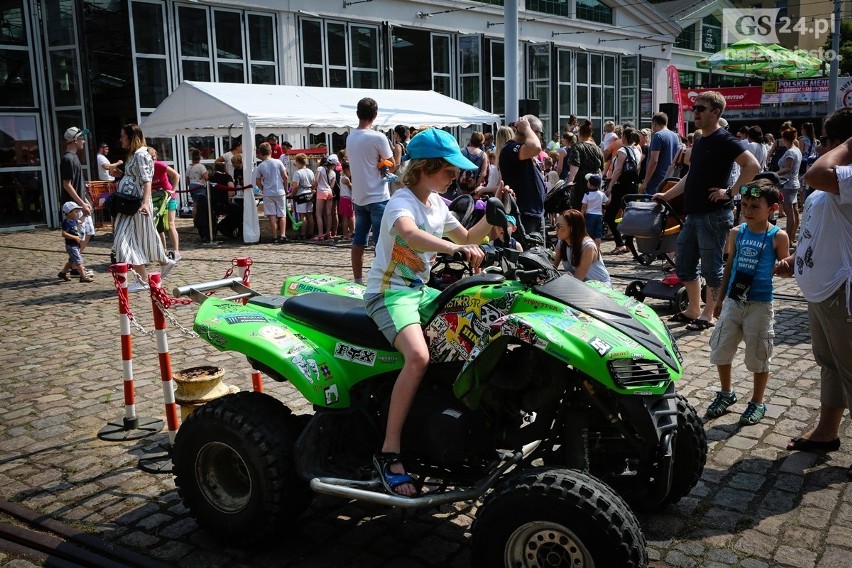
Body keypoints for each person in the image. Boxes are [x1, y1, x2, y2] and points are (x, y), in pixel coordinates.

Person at [365, 128, 490, 496]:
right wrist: (453, 252)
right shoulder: (401, 202)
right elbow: (410, 235)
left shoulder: (437, 204)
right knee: (418, 357)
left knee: (476, 330)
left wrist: (498, 212)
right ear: (426, 168)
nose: (455, 177)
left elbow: (467, 238)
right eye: (449, 171)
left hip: (419, 292)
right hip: (389, 294)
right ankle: (389, 451)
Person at [775, 107, 852, 477]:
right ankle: (827, 432)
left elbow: (815, 172)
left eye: (824, 140)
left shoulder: (846, 174)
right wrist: (795, 258)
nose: (818, 147)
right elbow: (820, 229)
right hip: (822, 289)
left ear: (840, 144)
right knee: (830, 365)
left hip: (842, 291)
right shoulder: (834, 181)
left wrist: (848, 147)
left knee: (851, 370)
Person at [653, 91, 760, 331]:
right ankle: (693, 309)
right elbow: (692, 176)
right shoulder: (700, 140)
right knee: (684, 265)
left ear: (716, 112)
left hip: (714, 215)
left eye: (701, 108)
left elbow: (752, 165)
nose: (696, 112)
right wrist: (667, 194)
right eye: (695, 107)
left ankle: (709, 313)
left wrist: (730, 192)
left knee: (712, 269)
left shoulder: (725, 139)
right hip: (694, 214)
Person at [705, 179, 789, 425]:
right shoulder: (736, 232)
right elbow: (729, 265)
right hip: (733, 301)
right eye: (745, 206)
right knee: (721, 348)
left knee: (758, 354)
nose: (748, 211)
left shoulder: (778, 236)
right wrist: (720, 299)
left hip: (760, 304)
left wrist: (783, 267)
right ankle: (726, 392)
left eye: (755, 207)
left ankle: (757, 401)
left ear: (772, 209)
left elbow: (785, 266)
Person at [112, 123, 176, 291]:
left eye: (123, 136)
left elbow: (147, 181)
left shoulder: (141, 154)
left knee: (124, 241)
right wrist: (122, 174)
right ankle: (163, 263)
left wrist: (144, 203)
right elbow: (136, 177)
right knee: (143, 238)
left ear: (131, 137)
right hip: (130, 203)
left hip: (135, 204)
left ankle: (143, 280)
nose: (121, 140)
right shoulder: (134, 154)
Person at [347, 97, 394, 284]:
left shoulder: (350, 137)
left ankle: (357, 279)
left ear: (357, 114)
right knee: (381, 243)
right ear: (375, 116)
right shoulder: (378, 137)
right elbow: (392, 165)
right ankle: (381, 281)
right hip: (378, 196)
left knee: (358, 240)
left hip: (359, 197)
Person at [500, 115, 547, 236]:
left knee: (538, 254)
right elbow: (536, 147)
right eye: (539, 133)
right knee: (526, 254)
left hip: (535, 213)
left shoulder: (524, 152)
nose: (539, 137)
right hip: (523, 214)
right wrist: (527, 128)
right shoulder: (509, 148)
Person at [60, 127, 95, 265]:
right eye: (82, 139)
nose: (84, 142)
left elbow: (77, 184)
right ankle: (74, 266)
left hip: (79, 203)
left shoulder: (74, 158)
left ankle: (73, 265)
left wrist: (85, 201)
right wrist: (81, 204)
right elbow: (67, 185)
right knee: (77, 237)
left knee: (88, 232)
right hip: (72, 206)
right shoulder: (68, 159)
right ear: (75, 140)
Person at [605, 127, 642, 255]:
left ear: (624, 137)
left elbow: (618, 169)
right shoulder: (637, 150)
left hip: (621, 187)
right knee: (629, 215)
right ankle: (628, 243)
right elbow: (638, 169)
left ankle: (620, 243)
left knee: (609, 216)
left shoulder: (622, 150)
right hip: (633, 187)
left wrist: (610, 186)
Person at [551, 209, 611, 286]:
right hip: (581, 286)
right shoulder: (562, 243)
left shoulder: (588, 246)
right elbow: (551, 268)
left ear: (572, 228)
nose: (556, 229)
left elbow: (578, 279)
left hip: (600, 287)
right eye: (556, 225)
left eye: (559, 226)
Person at [147, 147, 182, 260]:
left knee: (170, 224)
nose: (153, 159)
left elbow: (176, 175)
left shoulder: (159, 165)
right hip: (155, 198)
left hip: (168, 197)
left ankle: (176, 251)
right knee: (158, 225)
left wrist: (173, 189)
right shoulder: (145, 168)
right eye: (151, 157)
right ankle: (163, 250)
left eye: (154, 156)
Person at [566, 121, 605, 211]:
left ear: (579, 134)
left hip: (581, 182)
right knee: (593, 208)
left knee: (580, 208)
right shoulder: (597, 148)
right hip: (595, 182)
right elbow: (602, 168)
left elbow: (575, 165)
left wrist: (569, 184)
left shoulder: (577, 147)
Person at [255, 142, 289, 243]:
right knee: (282, 214)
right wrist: (286, 188)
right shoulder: (278, 162)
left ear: (260, 153)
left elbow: (257, 181)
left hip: (268, 193)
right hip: (280, 191)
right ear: (270, 151)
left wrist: (262, 188)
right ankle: (282, 235)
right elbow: (285, 177)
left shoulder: (260, 166)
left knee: (272, 215)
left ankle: (274, 236)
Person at [639, 112, 680, 195]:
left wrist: (645, 182)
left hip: (656, 181)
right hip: (669, 178)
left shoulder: (658, 136)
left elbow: (654, 161)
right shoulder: (675, 136)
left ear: (654, 123)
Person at [776, 128, 802, 243]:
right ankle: (792, 237)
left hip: (787, 184)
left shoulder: (790, 152)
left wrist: (773, 174)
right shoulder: (797, 150)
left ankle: (788, 239)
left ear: (785, 139)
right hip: (794, 183)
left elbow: (787, 168)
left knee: (789, 214)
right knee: (795, 212)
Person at [58, 202, 94, 283]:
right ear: (69, 213)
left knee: (71, 260)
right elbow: (64, 234)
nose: (77, 213)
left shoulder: (73, 220)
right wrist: (75, 237)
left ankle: (63, 273)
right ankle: (83, 277)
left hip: (75, 245)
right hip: (71, 245)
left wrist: (85, 215)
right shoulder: (67, 222)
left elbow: (80, 221)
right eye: (76, 212)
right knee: (78, 260)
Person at [289, 153, 315, 240]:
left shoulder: (297, 173)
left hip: (301, 194)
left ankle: (303, 234)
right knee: (309, 215)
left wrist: (292, 194)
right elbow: (314, 183)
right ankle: (311, 233)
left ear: (298, 162)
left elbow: (295, 186)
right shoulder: (310, 171)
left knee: (302, 215)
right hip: (309, 193)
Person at [581, 173, 609, 250]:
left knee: (589, 233)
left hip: (590, 215)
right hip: (599, 216)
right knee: (598, 234)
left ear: (590, 184)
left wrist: (581, 215)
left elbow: (584, 206)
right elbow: (607, 202)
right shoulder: (601, 194)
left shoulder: (587, 194)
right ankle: (597, 249)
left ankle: (589, 249)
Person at [313, 154, 337, 240]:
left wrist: (314, 187)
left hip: (321, 191)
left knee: (318, 214)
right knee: (329, 214)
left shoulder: (320, 169)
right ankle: (328, 233)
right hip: (329, 192)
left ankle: (320, 234)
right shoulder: (333, 172)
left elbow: (316, 180)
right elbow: (332, 185)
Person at [186, 149, 208, 220]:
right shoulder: (201, 166)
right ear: (200, 157)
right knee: (202, 204)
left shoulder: (189, 167)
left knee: (195, 204)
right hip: (200, 186)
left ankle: (195, 221)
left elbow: (187, 179)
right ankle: (202, 220)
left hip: (192, 186)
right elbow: (206, 178)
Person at [338, 160, 354, 240]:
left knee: (347, 217)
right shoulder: (346, 179)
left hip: (344, 198)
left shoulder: (342, 177)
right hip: (346, 199)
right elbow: (352, 188)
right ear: (346, 169)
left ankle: (349, 232)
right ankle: (345, 234)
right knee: (346, 218)